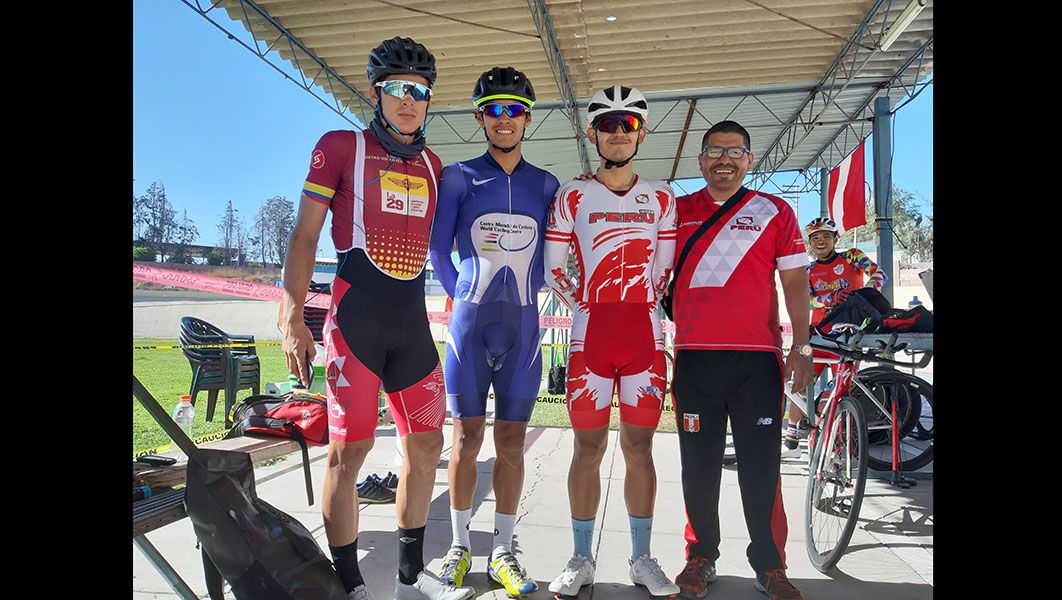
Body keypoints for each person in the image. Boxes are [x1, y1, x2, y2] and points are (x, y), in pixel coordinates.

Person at [281, 36, 474, 600]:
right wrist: (293, 315)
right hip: (356, 322)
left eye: (419, 92)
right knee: (351, 452)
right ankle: (352, 587)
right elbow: (305, 233)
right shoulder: (341, 146)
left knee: (425, 445)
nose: (408, 101)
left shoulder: (436, 165)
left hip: (410, 324)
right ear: (376, 93)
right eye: (397, 89)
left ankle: (410, 582)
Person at [543, 84, 681, 598]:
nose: (618, 133)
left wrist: (644, 304)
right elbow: (553, 266)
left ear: (640, 133)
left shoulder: (661, 196)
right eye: (607, 125)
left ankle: (642, 558)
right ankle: (581, 557)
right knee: (587, 447)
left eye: (627, 125)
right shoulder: (572, 195)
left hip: (644, 335)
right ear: (593, 133)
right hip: (589, 336)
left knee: (640, 448)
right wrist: (585, 306)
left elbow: (664, 271)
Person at [428, 66, 559, 598]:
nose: (504, 119)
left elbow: (556, 252)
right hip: (470, 324)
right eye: (494, 110)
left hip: (524, 327)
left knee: (510, 441)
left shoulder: (546, 184)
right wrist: (458, 295)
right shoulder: (458, 177)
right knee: (465, 437)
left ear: (527, 118)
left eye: (514, 110)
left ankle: (503, 549)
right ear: (481, 117)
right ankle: (460, 547)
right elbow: (439, 250)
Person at [668, 120, 812, 600]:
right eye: (714, 151)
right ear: (700, 160)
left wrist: (803, 347)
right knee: (698, 467)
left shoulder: (775, 212)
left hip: (757, 363)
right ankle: (700, 557)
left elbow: (794, 282)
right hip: (694, 360)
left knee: (761, 467)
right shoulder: (677, 210)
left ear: (750, 159)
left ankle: (770, 565)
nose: (724, 160)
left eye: (735, 152)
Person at [781, 217, 887, 458]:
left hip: (849, 335)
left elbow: (879, 275)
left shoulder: (852, 256)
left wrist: (860, 296)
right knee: (800, 382)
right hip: (816, 335)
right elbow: (805, 300)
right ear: (809, 243)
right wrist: (830, 299)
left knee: (836, 391)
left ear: (835, 238)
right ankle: (792, 440)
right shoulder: (808, 270)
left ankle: (831, 441)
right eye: (815, 238)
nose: (820, 241)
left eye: (826, 236)